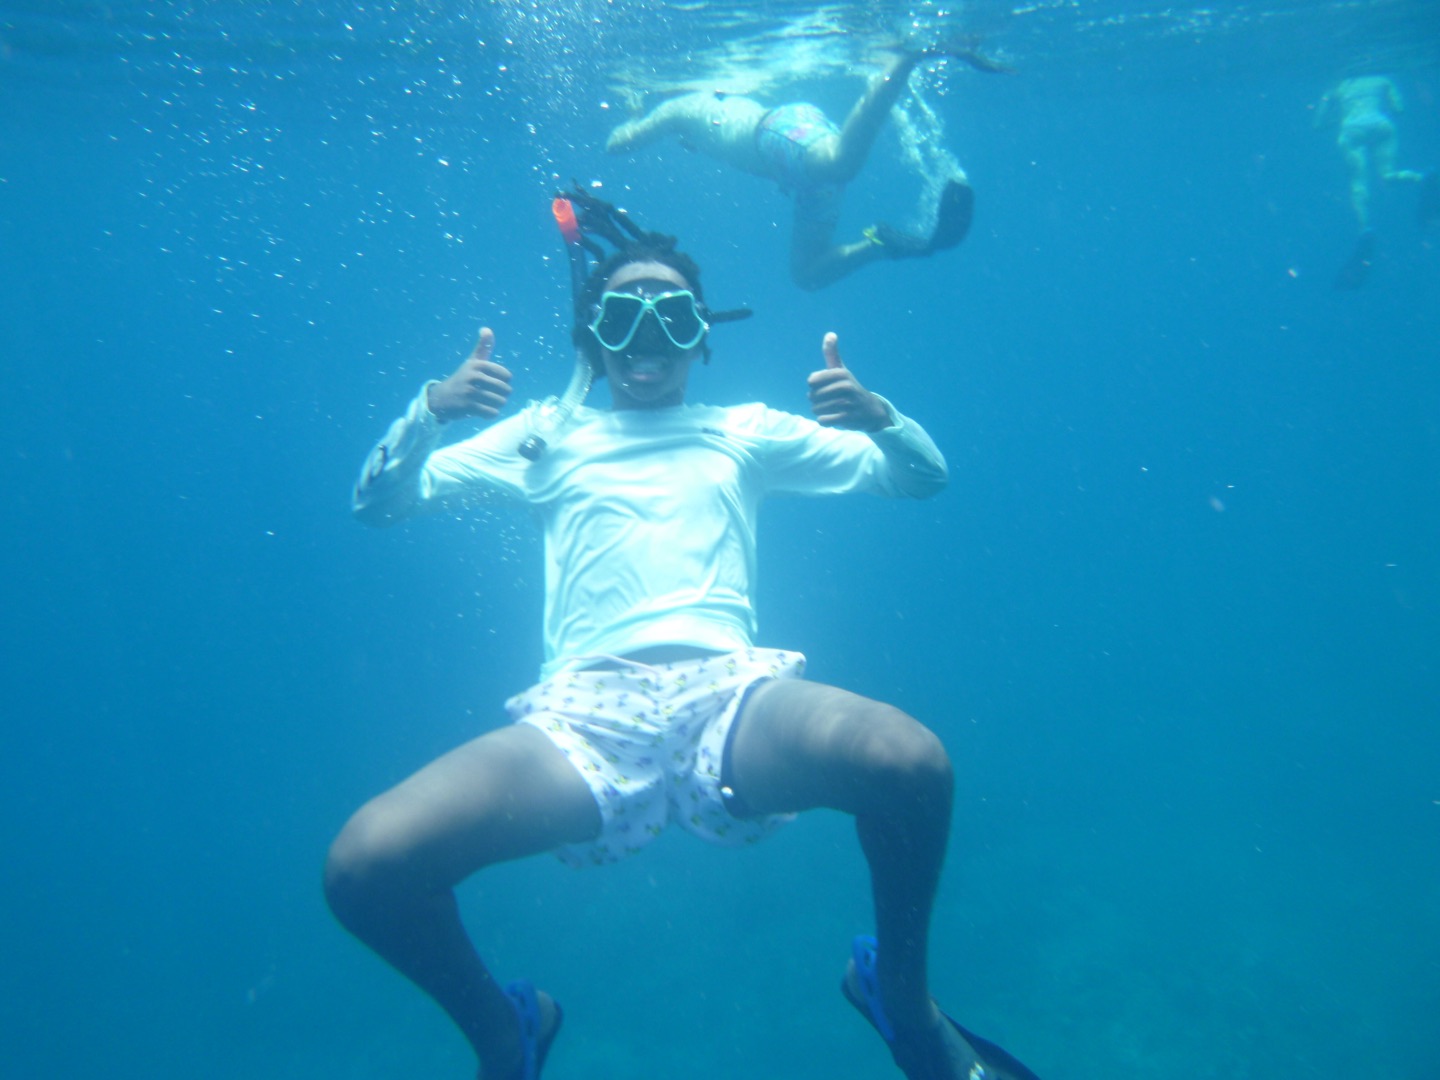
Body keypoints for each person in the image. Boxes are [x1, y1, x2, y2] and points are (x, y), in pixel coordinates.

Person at [324, 190, 1043, 1080]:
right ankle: (504, 1031)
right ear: (592, 337)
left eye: (671, 317)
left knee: (911, 762)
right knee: (364, 865)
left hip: (729, 698)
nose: (647, 339)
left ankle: (902, 999)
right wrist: (431, 408)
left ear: (701, 335)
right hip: (580, 720)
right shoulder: (542, 437)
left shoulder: (743, 431)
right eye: (622, 318)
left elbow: (921, 477)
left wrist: (881, 417)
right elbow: (377, 504)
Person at [606, 46, 1009, 290]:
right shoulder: (707, 98)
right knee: (808, 275)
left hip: (778, 135)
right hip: (798, 176)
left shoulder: (677, 107)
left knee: (840, 164)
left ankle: (901, 62)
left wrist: (635, 111)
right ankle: (880, 244)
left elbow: (618, 144)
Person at [1313, 75, 1433, 288]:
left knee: (1358, 182)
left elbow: (1318, 124)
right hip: (1381, 124)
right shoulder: (1382, 79)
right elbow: (1399, 109)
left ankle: (1365, 226)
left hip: (1352, 129)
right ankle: (1419, 178)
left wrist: (1338, 117)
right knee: (1387, 175)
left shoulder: (1338, 86)